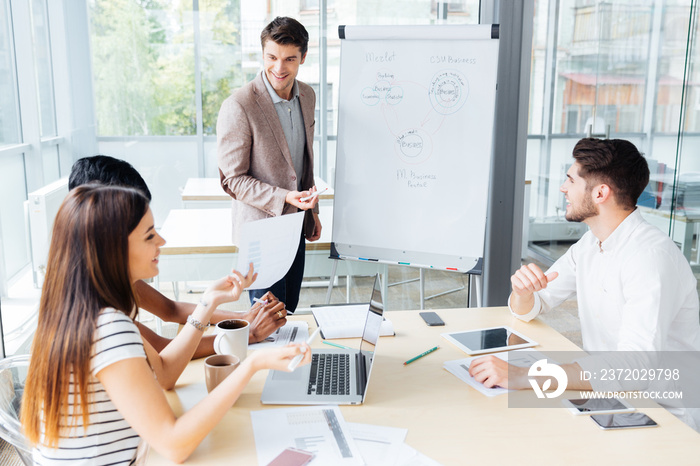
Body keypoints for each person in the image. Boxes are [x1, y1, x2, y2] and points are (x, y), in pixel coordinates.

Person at [21, 184, 311, 464]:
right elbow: (174, 445)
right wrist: (252, 365)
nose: (162, 241)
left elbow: (164, 373)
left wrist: (208, 302)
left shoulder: (78, 311)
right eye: (149, 236)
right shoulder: (109, 327)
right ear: (113, 250)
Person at [468, 138, 700, 429]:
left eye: (570, 180)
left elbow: (636, 367)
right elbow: (533, 305)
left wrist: (523, 376)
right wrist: (522, 292)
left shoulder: (650, 258)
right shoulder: (591, 243)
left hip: (660, 413)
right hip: (610, 394)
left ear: (601, 192)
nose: (563, 188)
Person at [68, 155, 287, 359]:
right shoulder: (96, 307)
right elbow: (163, 353)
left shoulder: (107, 269)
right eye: (145, 231)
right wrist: (247, 334)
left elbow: (170, 309)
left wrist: (242, 318)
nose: (161, 241)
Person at [217, 16, 321, 313]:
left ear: (303, 56)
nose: (279, 68)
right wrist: (283, 198)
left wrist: (312, 212)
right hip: (260, 232)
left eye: (289, 59)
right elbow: (232, 180)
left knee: (289, 310)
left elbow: (302, 164)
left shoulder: (308, 96)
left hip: (295, 226)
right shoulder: (239, 105)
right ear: (262, 54)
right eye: (272, 57)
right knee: (265, 319)